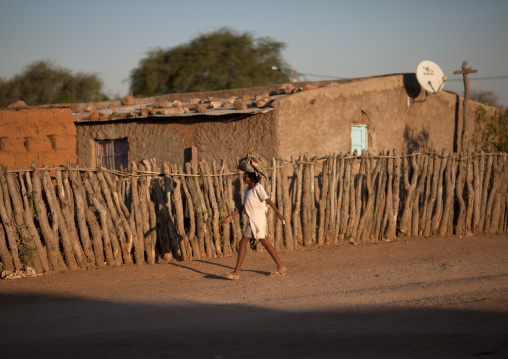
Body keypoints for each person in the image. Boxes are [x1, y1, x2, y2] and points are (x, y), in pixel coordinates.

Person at [223, 170, 286, 280]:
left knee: (243, 242)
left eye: (246, 176)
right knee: (264, 242)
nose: (244, 178)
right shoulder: (248, 189)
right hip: (253, 220)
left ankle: (236, 272)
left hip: (259, 220)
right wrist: (232, 215)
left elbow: (269, 201)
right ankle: (280, 266)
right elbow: (245, 205)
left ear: (252, 178)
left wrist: (279, 215)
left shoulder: (258, 188)